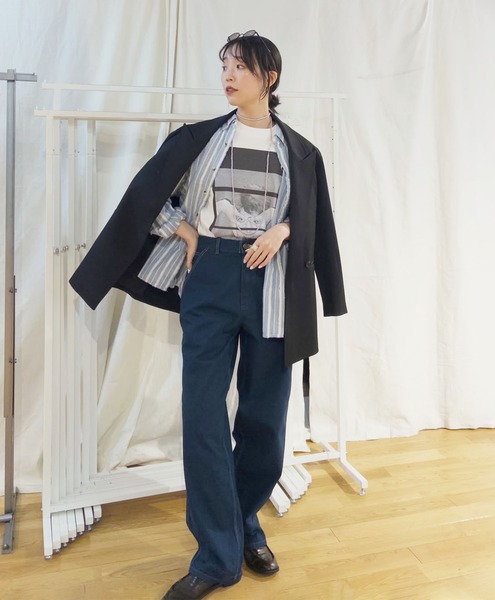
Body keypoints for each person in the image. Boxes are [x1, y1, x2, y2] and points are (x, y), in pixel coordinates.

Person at [70, 30, 347, 600]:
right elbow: (148, 197)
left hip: (273, 284)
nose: (228, 76)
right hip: (211, 278)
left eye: (240, 67)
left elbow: (314, 216)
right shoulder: (197, 140)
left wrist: (283, 228)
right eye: (224, 66)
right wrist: (187, 230)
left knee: (266, 425)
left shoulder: (300, 151)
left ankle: (242, 523)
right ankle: (217, 557)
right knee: (202, 417)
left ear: (269, 77)